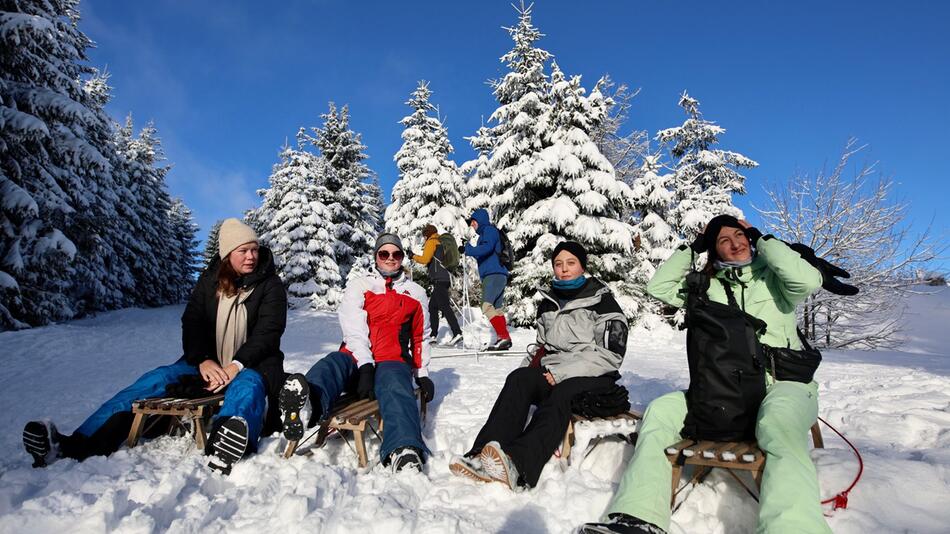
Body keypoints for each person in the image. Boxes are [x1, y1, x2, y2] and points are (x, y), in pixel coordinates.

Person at [580, 215, 830, 534]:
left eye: (739, 236)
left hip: (783, 387)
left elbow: (808, 281)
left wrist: (760, 236)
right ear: (714, 252)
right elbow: (659, 287)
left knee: (777, 422)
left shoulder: (775, 280)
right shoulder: (706, 289)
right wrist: (693, 247)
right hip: (724, 392)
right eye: (723, 240)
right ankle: (638, 519)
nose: (734, 243)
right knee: (660, 413)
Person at [22, 218, 288, 475]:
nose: (251, 256)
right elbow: (192, 323)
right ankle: (73, 445)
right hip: (208, 364)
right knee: (154, 379)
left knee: (247, 389)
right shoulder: (210, 281)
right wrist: (204, 360)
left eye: (254, 249)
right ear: (228, 253)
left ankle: (224, 446)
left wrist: (235, 366)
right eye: (243, 250)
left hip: (251, 364)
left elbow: (268, 332)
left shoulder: (270, 284)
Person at [449, 241, 628, 489]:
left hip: (594, 374)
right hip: (554, 371)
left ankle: (519, 464)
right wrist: (527, 372)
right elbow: (542, 346)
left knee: (564, 393)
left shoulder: (602, 302)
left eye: (570, 263)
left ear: (582, 267)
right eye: (558, 264)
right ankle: (482, 455)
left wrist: (562, 372)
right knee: (519, 379)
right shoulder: (549, 302)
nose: (564, 269)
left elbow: (611, 354)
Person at [279, 233, 435, 472]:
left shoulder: (415, 293)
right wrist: (365, 365)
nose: (391, 259)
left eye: (396, 254)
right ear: (376, 257)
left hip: (391, 360)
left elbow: (420, 336)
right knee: (332, 363)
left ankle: (404, 448)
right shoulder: (361, 285)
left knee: (395, 386)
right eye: (385, 254)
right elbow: (353, 328)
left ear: (402, 258)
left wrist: (422, 372)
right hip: (357, 358)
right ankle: (308, 406)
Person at [463, 208, 511, 350]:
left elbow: (487, 248)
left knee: (486, 305)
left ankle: (504, 336)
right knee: (497, 308)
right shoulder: (486, 234)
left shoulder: (489, 231)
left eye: (473, 221)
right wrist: (468, 249)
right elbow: (483, 253)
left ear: (480, 220)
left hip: (493, 274)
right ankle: (503, 339)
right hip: (498, 274)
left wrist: (468, 250)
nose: (472, 225)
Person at [408, 224, 463, 346]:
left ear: (427, 234)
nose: (423, 238)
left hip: (440, 278)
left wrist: (413, 256)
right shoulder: (439, 241)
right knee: (432, 306)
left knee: (444, 306)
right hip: (444, 277)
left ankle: (457, 332)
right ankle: (433, 335)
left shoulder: (432, 241)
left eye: (424, 235)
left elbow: (425, 259)